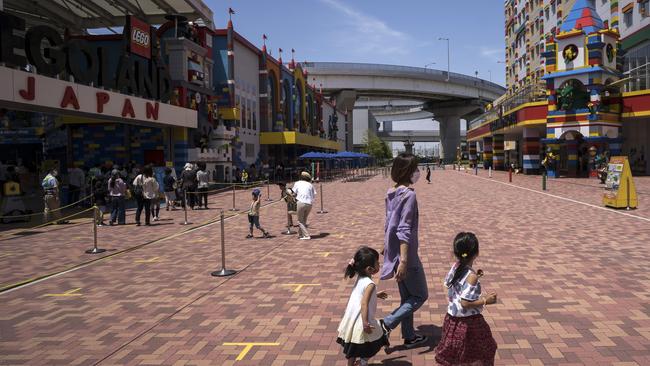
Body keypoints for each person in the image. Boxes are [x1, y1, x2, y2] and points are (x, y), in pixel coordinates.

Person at [380, 153, 428, 348]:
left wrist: (387, 246)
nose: (418, 172)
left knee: (407, 298)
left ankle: (409, 336)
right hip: (406, 255)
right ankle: (387, 323)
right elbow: (404, 228)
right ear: (408, 171)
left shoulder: (391, 192)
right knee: (420, 296)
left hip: (395, 252)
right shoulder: (409, 195)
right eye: (415, 169)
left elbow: (389, 223)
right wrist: (405, 261)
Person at [434, 232, 498, 365]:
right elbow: (465, 303)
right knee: (484, 351)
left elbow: (446, 285)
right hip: (470, 324)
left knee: (458, 356)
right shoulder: (471, 276)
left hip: (452, 320)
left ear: (457, 253)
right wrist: (486, 300)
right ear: (476, 253)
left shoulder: (456, 267)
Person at [337, 246, 389, 366]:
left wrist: (376, 295)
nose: (379, 265)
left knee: (354, 348)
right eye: (377, 263)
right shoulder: (370, 284)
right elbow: (364, 303)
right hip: (362, 321)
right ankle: (363, 362)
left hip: (352, 319)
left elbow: (362, 295)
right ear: (370, 269)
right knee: (375, 342)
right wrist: (365, 323)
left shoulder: (360, 277)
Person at [292, 171, 316, 240]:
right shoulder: (310, 184)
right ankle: (300, 234)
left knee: (300, 221)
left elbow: (293, 193)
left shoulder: (297, 183)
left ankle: (306, 235)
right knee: (304, 219)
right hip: (309, 204)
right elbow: (313, 195)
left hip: (301, 202)